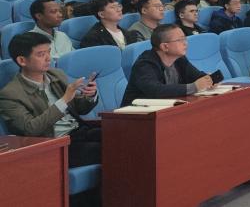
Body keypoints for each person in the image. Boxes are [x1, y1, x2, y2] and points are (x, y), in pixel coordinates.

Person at [0, 32, 101, 168]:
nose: (49, 58)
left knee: (121, 135)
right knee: (110, 148)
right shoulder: (10, 94)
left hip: (79, 132)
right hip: (55, 145)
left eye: (49, 52)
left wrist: (90, 95)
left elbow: (80, 109)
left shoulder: (56, 75)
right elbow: (30, 130)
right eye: (41, 54)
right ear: (22, 61)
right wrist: (64, 100)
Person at [121, 24, 215, 106]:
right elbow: (156, 90)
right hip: (136, 115)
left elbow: (196, 76)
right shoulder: (144, 64)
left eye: (184, 38)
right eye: (180, 40)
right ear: (165, 46)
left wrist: (209, 79)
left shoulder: (179, 59)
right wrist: (194, 87)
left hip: (165, 109)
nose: (185, 43)